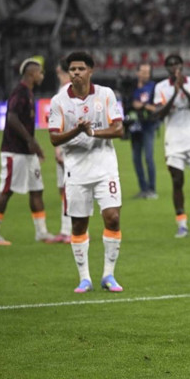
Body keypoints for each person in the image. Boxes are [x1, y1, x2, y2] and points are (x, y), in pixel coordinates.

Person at [48, 51, 125, 293]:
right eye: (72, 69)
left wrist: (92, 133)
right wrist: (77, 131)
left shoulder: (105, 94)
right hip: (76, 171)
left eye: (81, 69)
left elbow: (119, 129)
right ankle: (85, 278)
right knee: (79, 224)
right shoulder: (59, 101)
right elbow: (53, 138)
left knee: (112, 216)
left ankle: (109, 275)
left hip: (105, 167)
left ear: (90, 71)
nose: (76, 73)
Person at [0, 58, 54, 246]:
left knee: (37, 190)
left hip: (27, 153)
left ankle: (41, 232)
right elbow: (12, 118)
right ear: (32, 74)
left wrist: (35, 145)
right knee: (6, 191)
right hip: (14, 152)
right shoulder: (20, 92)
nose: (42, 75)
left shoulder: (29, 93)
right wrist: (30, 140)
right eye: (40, 72)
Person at [154, 54, 190, 237]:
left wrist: (183, 89)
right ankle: (182, 222)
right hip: (174, 141)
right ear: (166, 68)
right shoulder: (160, 87)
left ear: (182, 65)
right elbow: (159, 114)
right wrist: (175, 93)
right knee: (177, 181)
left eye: (176, 63)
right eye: (169, 65)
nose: (173, 67)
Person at [50, 60, 73, 244]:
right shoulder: (66, 90)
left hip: (66, 145)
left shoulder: (66, 92)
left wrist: (59, 148)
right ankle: (68, 227)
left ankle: (68, 230)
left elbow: (62, 122)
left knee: (68, 188)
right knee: (64, 188)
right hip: (65, 144)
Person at [129, 62, 158, 199]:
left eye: (148, 72)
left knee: (148, 157)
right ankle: (143, 189)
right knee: (136, 159)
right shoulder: (132, 87)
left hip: (148, 125)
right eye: (143, 71)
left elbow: (157, 107)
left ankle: (151, 189)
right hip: (134, 126)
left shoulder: (153, 87)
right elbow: (127, 103)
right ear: (137, 73)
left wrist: (143, 106)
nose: (146, 74)